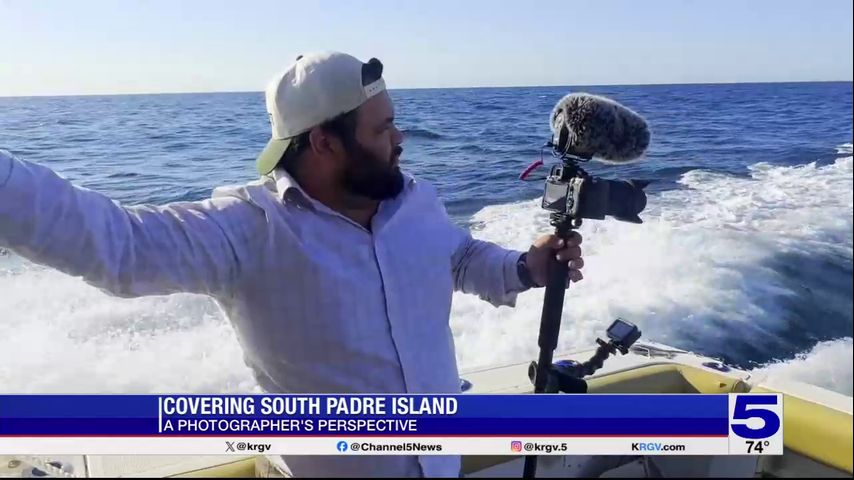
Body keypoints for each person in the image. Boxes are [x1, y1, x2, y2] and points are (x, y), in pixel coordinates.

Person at [0, 51, 584, 477]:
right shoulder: (248, 229)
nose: (400, 138)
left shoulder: (414, 200)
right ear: (325, 143)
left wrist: (525, 268)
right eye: (382, 129)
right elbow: (118, 245)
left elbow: (458, 258)